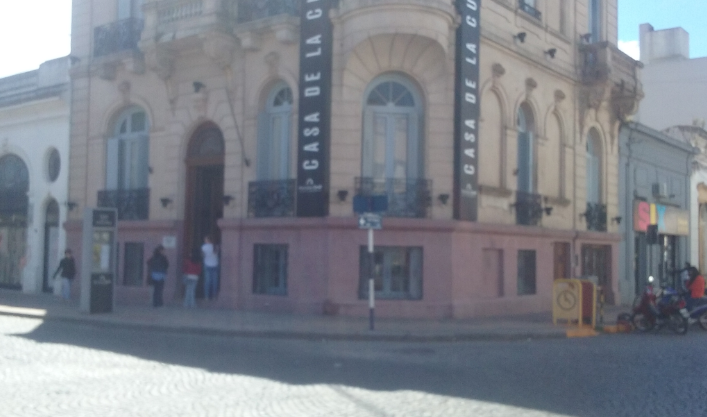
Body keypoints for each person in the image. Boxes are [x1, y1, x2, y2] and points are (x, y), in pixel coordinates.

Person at [201, 236, 219, 300]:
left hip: (207, 264)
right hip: (215, 265)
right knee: (214, 281)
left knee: (207, 281)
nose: (204, 240)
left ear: (207, 240)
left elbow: (202, 256)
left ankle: (206, 296)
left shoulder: (204, 247)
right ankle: (214, 296)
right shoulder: (216, 247)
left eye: (205, 239)